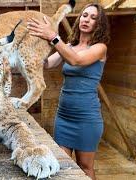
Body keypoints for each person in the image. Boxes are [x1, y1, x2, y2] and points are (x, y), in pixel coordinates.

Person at [27, 3, 110, 180]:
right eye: (85, 15)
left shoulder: (99, 48)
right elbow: (47, 64)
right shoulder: (69, 45)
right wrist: (28, 52)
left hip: (87, 119)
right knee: (62, 165)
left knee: (85, 167)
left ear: (99, 24)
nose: (87, 19)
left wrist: (53, 37)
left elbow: (76, 61)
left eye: (93, 18)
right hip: (64, 117)